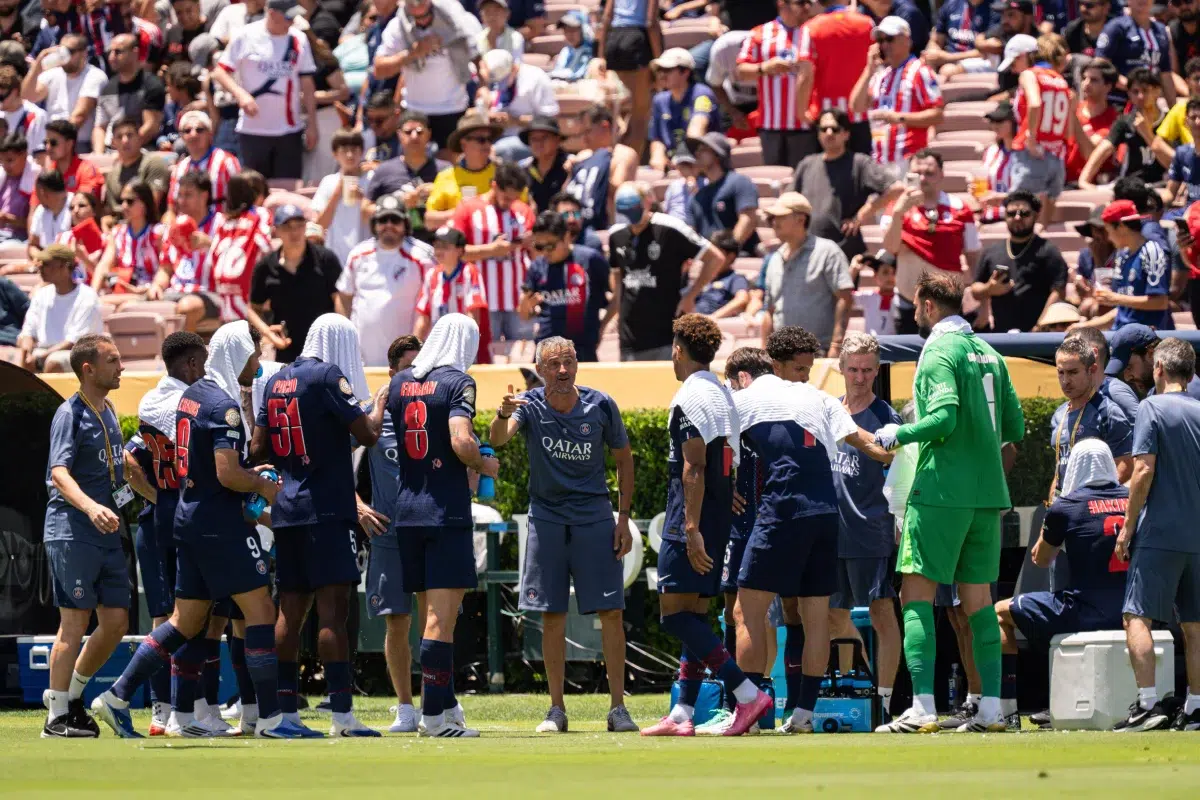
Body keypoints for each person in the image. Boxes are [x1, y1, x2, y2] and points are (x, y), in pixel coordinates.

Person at [92, 321, 307, 740]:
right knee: (260, 610)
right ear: (235, 355)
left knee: (184, 620)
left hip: (188, 518)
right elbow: (227, 475)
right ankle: (271, 720)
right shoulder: (222, 405)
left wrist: (247, 472)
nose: (257, 364)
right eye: (252, 355)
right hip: (218, 522)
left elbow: (212, 463)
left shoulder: (189, 397)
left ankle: (117, 695)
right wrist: (262, 485)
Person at [872, 272, 1025, 734]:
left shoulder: (939, 350)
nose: (915, 311)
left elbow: (942, 418)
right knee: (980, 603)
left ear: (928, 305)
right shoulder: (991, 354)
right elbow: (1014, 429)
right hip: (988, 495)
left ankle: (922, 707)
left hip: (941, 490)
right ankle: (992, 709)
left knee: (915, 595)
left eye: (916, 304)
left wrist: (896, 432)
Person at [489, 336, 639, 733]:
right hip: (547, 520)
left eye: (569, 361)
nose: (562, 370)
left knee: (611, 613)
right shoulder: (530, 404)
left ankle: (618, 708)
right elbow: (497, 439)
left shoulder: (602, 404)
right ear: (539, 370)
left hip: (595, 519)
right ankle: (556, 710)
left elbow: (624, 460)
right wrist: (502, 414)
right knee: (551, 614)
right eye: (554, 364)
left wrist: (623, 518)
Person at [250, 314, 387, 737]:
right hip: (327, 508)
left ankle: (284, 714)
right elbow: (367, 434)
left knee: (289, 612)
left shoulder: (276, 381)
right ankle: (342, 716)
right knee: (333, 611)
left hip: (287, 508)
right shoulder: (328, 375)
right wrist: (378, 406)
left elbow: (257, 447)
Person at [642, 313, 773, 737]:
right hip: (718, 517)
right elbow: (727, 459)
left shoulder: (690, 396)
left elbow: (694, 466)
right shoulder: (720, 392)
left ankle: (748, 696)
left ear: (678, 349)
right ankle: (683, 712)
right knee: (696, 613)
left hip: (691, 520)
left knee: (674, 615)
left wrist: (691, 528)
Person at [730, 325, 862, 734]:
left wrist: (727, 489)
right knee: (815, 615)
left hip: (782, 508)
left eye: (808, 369)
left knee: (745, 611)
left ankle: (748, 712)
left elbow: (710, 448)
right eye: (800, 368)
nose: (805, 376)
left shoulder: (746, 398)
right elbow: (866, 442)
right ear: (778, 364)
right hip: (826, 512)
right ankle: (803, 715)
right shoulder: (820, 397)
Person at [387, 313, 498, 737]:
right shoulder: (457, 382)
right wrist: (483, 461)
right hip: (444, 509)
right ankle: (434, 717)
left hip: (407, 509)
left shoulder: (400, 383)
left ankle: (444, 705)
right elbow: (461, 441)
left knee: (428, 616)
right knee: (442, 617)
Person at [994, 439, 1130, 729]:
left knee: (998, 612)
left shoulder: (1067, 506)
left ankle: (1006, 713)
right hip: (1133, 615)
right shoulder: (1134, 499)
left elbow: (1041, 560)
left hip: (1084, 611)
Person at [40, 334, 130, 738]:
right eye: (113, 360)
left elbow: (123, 468)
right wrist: (91, 507)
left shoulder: (108, 409)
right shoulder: (69, 414)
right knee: (73, 622)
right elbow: (59, 473)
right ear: (88, 369)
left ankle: (71, 698)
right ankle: (55, 716)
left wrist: (159, 497)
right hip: (72, 531)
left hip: (107, 533)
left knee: (115, 622)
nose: (122, 366)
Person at [122, 331, 208, 735]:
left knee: (173, 615)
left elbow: (129, 459)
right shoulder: (184, 404)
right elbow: (126, 463)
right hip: (173, 519)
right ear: (190, 363)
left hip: (161, 517)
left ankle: (170, 711)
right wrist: (160, 497)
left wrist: (154, 498)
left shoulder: (152, 401)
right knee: (177, 617)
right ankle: (168, 711)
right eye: (201, 363)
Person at [1115, 337, 1200, 732]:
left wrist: (1128, 528)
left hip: (1160, 532)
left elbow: (1143, 470)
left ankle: (1148, 705)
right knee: (1195, 626)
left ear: (1160, 370)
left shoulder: (1150, 406)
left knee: (1137, 615)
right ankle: (1196, 707)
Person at [830, 332, 902, 718]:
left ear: (877, 371)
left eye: (868, 370)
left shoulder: (886, 417)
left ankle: (885, 700)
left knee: (880, 612)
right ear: (841, 368)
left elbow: (898, 463)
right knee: (832, 615)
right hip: (831, 531)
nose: (860, 377)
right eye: (854, 369)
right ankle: (855, 690)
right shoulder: (828, 409)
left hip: (871, 529)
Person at [362, 334, 423, 734]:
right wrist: (355, 505)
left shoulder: (437, 407)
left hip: (430, 528)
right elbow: (326, 460)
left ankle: (441, 702)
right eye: (408, 367)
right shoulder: (372, 414)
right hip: (387, 533)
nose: (414, 375)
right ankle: (405, 707)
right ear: (391, 372)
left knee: (439, 618)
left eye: (420, 367)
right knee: (397, 622)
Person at [606, 183, 723, 361]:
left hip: (665, 334)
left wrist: (690, 295)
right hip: (629, 336)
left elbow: (715, 258)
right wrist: (615, 313)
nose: (631, 220)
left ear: (647, 202)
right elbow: (617, 277)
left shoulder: (670, 228)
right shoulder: (616, 234)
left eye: (634, 211)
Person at [211, 0, 319, 181]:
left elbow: (307, 84)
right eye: (288, 17)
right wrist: (241, 95)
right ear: (272, 13)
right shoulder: (245, 35)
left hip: (289, 131)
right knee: (254, 189)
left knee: (288, 190)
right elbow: (220, 72)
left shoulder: (298, 39)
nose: (292, 22)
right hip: (253, 131)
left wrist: (313, 125)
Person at [880, 149, 981, 334]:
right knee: (908, 363)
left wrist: (978, 299)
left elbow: (973, 256)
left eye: (929, 173)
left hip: (949, 307)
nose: (923, 178)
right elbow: (891, 247)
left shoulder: (960, 209)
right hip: (909, 306)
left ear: (941, 174)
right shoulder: (897, 208)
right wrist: (898, 214)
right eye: (917, 173)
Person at [792, 108, 903, 260]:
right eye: (824, 129)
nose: (829, 133)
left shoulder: (859, 163)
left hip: (843, 250)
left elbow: (896, 188)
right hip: (807, 250)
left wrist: (860, 215)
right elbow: (789, 201)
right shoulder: (806, 164)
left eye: (835, 129)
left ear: (846, 134)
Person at [337, 194, 431, 367]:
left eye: (395, 220)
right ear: (374, 224)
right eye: (382, 220)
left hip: (407, 360)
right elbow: (344, 296)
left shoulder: (423, 257)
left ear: (405, 224)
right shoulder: (358, 254)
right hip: (362, 358)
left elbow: (430, 306)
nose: (389, 225)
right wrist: (347, 341)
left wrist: (416, 349)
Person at [372, 0, 479, 150]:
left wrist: (483, 89)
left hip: (452, 109)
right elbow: (379, 69)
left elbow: (478, 57)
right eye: (416, 17)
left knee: (449, 165)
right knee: (413, 165)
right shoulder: (397, 27)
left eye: (425, 15)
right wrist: (413, 53)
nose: (421, 19)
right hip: (415, 110)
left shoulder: (455, 19)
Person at [760, 192, 854, 357]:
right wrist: (765, 354)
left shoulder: (827, 251)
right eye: (772, 218)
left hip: (817, 354)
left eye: (780, 217)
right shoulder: (774, 259)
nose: (774, 223)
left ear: (801, 219)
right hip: (781, 357)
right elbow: (770, 311)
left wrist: (836, 347)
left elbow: (845, 298)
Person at [849, 16, 944, 179]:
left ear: (906, 40)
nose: (884, 45)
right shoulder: (880, 75)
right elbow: (856, 107)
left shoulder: (920, 71)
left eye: (890, 39)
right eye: (880, 40)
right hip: (880, 160)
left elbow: (937, 115)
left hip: (909, 161)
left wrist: (898, 118)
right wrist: (868, 70)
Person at [248, 204, 342, 363]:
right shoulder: (266, 266)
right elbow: (253, 309)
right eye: (287, 227)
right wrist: (268, 333)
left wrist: (340, 333)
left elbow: (339, 299)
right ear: (276, 230)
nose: (294, 232)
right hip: (287, 351)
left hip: (325, 348)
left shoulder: (325, 259)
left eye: (299, 225)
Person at [969, 191, 1068, 333]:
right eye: (1011, 213)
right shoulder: (991, 251)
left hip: (1037, 336)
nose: (1017, 217)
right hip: (999, 335)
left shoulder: (1048, 251)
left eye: (1024, 213)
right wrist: (989, 289)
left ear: (1036, 215)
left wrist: (1040, 326)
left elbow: (1059, 291)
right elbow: (975, 290)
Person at [1004, 34, 1075, 225]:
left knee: (1019, 215)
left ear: (1023, 56)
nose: (1012, 70)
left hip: (1031, 156)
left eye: (1013, 64)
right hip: (1056, 157)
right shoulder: (1060, 80)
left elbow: (1034, 104)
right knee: (1044, 225)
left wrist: (1032, 138)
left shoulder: (1029, 75)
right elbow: (1069, 130)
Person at [519, 211, 609, 361]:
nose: (545, 252)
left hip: (582, 353)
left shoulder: (590, 260)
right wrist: (526, 304)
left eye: (550, 246)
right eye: (539, 247)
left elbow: (615, 295)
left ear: (567, 237)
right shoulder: (537, 267)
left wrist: (602, 327)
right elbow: (524, 314)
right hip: (546, 355)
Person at [735, 0, 814, 167]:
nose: (806, 7)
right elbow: (740, 71)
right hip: (771, 125)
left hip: (805, 124)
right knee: (775, 177)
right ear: (781, 4)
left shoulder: (814, 32)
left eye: (808, 2)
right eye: (800, 3)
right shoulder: (760, 33)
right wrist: (764, 68)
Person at [1080, 200, 1171, 331]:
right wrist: (1084, 326)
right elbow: (1123, 310)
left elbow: (1160, 302)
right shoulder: (1122, 256)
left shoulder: (1151, 251)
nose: (1109, 238)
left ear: (1122, 227)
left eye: (1109, 230)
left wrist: (1116, 298)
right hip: (1120, 334)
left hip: (1145, 339)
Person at [153, 172, 224, 331]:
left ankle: (186, 354)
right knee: (129, 307)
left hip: (210, 293)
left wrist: (211, 244)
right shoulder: (172, 226)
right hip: (175, 291)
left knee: (187, 307)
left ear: (204, 196)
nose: (182, 201)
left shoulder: (221, 225)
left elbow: (236, 267)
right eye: (180, 195)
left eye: (188, 195)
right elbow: (165, 268)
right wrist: (157, 285)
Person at [1079, 68, 1170, 190]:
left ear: (1157, 91)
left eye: (1145, 91)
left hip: (1160, 185)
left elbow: (1171, 163)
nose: (1140, 96)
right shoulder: (1125, 121)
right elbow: (1104, 149)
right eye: (1135, 92)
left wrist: (1147, 134)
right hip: (1128, 185)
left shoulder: (1169, 120)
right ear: (1129, 94)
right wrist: (1084, 181)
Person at [365, 111, 448, 236]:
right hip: (396, 244)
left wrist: (439, 191)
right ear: (399, 135)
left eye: (419, 132)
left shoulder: (446, 171)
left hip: (438, 245)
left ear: (428, 134)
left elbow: (461, 208)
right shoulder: (385, 170)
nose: (414, 136)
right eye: (408, 132)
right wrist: (398, 203)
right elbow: (365, 212)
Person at [22, 34, 106, 152]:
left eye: (69, 51)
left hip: (77, 143)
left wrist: (55, 142)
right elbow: (27, 95)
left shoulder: (94, 76)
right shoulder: (53, 74)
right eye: (61, 50)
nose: (64, 56)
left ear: (84, 53)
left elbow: (79, 117)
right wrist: (38, 63)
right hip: (52, 141)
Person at [209, 172, 274, 323]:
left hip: (226, 300)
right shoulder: (261, 214)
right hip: (248, 299)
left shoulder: (222, 221)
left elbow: (213, 256)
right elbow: (265, 247)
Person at [596, 0, 658, 159]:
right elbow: (651, 22)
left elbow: (606, 18)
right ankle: (631, 162)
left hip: (614, 40)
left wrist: (601, 55)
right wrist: (659, 58)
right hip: (636, 40)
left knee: (628, 110)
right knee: (641, 113)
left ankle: (618, 151)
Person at [565, 104, 638, 235]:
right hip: (577, 224)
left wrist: (599, 169)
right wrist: (572, 173)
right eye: (581, 134)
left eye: (587, 131)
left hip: (607, 226)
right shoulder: (582, 156)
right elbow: (565, 194)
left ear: (605, 126)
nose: (584, 139)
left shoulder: (624, 154)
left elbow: (619, 191)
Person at [424, 110, 504, 229]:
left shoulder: (503, 174)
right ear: (463, 144)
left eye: (489, 139)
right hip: (460, 243)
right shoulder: (445, 176)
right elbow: (430, 221)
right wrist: (467, 212)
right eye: (481, 140)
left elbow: (525, 208)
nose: (487, 144)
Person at [648, 48, 721, 174]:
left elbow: (696, 131)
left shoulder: (702, 95)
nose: (661, 75)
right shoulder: (659, 100)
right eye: (659, 70)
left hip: (702, 164)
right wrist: (657, 156)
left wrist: (683, 158)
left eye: (668, 70)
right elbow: (657, 138)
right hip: (672, 165)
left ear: (685, 72)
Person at [478, 49, 559, 163]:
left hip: (528, 138)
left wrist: (515, 121)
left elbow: (549, 120)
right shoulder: (493, 81)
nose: (499, 84)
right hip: (497, 134)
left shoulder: (536, 79)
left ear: (513, 69)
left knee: (497, 150)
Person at [684, 132, 758, 255]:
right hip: (707, 260)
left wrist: (727, 251)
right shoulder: (696, 197)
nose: (697, 154)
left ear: (717, 155)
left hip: (738, 257)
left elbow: (748, 219)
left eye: (702, 150)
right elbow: (691, 232)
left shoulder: (739, 182)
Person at [91, 180, 163, 305]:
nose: (124, 206)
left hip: (150, 293)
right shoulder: (117, 233)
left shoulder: (159, 233)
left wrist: (149, 288)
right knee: (96, 304)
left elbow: (166, 269)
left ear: (145, 203)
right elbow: (104, 265)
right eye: (121, 201)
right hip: (122, 290)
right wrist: (92, 294)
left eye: (130, 201)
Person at [413, 225, 487, 346]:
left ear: (459, 250)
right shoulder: (431, 275)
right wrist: (412, 348)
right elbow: (423, 318)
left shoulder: (470, 272)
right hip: (436, 346)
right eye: (436, 246)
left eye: (445, 247)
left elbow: (473, 316)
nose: (439, 251)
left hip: (462, 347)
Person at [92, 33, 166, 152]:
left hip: (142, 151)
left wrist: (123, 149)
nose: (112, 57)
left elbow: (151, 126)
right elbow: (100, 127)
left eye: (118, 52)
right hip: (111, 150)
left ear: (134, 52)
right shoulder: (108, 88)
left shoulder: (151, 85)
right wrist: (99, 156)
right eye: (109, 52)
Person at [166, 110, 240, 221]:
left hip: (220, 229)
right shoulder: (179, 168)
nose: (193, 134)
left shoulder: (227, 162)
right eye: (187, 131)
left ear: (210, 133)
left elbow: (240, 202)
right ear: (182, 137)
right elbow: (171, 208)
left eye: (199, 130)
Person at [1096, 0, 1174, 105]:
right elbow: (1101, 65)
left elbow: (1166, 74)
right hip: (1119, 101)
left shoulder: (1161, 30)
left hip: (1151, 103)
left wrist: (1172, 108)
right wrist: (1131, 87)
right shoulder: (1115, 27)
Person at [312, 128, 370, 266]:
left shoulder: (372, 179)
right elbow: (320, 224)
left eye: (354, 150)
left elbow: (380, 219)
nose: (350, 155)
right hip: (335, 257)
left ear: (361, 152)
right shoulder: (328, 181)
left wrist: (363, 198)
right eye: (344, 151)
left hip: (366, 256)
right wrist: (337, 194)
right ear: (335, 154)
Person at [1066, 326, 1142, 424]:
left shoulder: (1115, 392)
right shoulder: (1080, 393)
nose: (1065, 354)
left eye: (1072, 348)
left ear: (1093, 353)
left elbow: (1141, 432)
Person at [101, 118, 171, 221]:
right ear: (113, 143)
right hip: (119, 229)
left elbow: (150, 206)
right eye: (119, 137)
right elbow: (111, 211)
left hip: (149, 229)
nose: (125, 141)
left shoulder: (154, 163)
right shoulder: (112, 174)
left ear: (140, 138)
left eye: (130, 135)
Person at [1064, 58, 1119, 186]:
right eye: (1084, 78)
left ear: (1108, 86)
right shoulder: (1074, 109)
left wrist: (1071, 114)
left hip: (1091, 188)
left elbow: (1089, 154)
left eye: (1093, 80)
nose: (1086, 84)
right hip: (1062, 183)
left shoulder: (1114, 120)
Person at [924, 0, 995, 80]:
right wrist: (933, 52)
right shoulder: (952, 4)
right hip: (947, 58)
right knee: (922, 65)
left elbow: (988, 51)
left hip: (977, 61)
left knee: (947, 71)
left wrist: (948, 57)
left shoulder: (994, 8)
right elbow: (936, 40)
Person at [694, 231, 750, 319]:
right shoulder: (704, 276)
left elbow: (742, 299)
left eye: (715, 254)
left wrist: (713, 317)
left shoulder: (735, 278)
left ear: (730, 257)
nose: (710, 257)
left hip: (712, 325)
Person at [520, 116, 569, 214]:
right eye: (534, 139)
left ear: (557, 140)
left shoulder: (570, 167)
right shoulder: (524, 170)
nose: (538, 143)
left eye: (544, 137)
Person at [28, 171, 72, 259]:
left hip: (68, 263)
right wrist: (43, 257)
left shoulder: (75, 206)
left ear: (42, 192)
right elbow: (32, 245)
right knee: (6, 270)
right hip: (46, 263)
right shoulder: (40, 210)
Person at [1166, 99, 1200, 209]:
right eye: (1193, 117)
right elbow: (1169, 193)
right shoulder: (1182, 153)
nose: (1198, 122)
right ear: (1186, 122)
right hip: (1186, 211)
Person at [0, 133, 34, 243]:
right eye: (2, 160)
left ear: (24, 155)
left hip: (20, 239)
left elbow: (39, 225)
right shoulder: (2, 175)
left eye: (10, 160)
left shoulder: (37, 180)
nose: (5, 165)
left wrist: (11, 220)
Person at [548, 10, 594, 82]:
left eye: (573, 30)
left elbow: (579, 76)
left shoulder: (591, 52)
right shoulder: (565, 51)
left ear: (584, 30)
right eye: (566, 30)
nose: (569, 34)